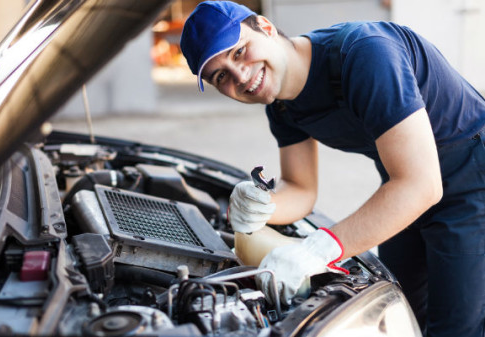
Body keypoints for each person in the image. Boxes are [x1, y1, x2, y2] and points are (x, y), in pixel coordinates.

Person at [180, 1, 485, 336]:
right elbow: (300, 188)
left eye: (239, 52)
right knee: (398, 310)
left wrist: (315, 250)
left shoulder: (365, 54)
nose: (240, 76)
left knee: (457, 328)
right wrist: (262, 206)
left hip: (471, 183)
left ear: (265, 28)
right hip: (402, 186)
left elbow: (421, 185)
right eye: (220, 76)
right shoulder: (281, 106)